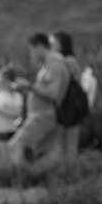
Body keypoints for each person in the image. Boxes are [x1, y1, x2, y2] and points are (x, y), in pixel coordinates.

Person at [12, 33, 70, 164]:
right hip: (41, 115)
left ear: (39, 46)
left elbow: (53, 93)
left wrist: (30, 86)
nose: (31, 54)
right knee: (42, 156)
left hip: (44, 116)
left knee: (17, 145)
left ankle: (20, 181)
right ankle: (39, 180)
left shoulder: (55, 65)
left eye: (32, 50)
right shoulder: (48, 64)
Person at [52, 31, 92, 158]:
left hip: (69, 107)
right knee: (62, 144)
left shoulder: (68, 61)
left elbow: (67, 82)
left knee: (68, 145)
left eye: (54, 42)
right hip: (64, 106)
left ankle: (69, 172)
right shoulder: (62, 61)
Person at [0, 67, 28, 157]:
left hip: (10, 131)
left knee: (10, 159)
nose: (0, 84)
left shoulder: (17, 96)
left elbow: (16, 113)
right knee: (0, 160)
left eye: (2, 81)